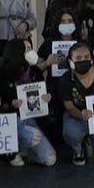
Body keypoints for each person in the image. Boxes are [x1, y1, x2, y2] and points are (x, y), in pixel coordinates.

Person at [0, 39, 57, 167]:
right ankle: (12, 150)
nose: (32, 52)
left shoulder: (35, 72)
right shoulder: (2, 75)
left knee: (50, 159)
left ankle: (26, 149)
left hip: (32, 117)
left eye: (31, 48)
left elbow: (43, 94)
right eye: (28, 49)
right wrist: (11, 103)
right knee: (32, 136)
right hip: (14, 120)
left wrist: (48, 97)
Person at [36, 8, 80, 143]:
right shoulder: (48, 44)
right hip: (53, 90)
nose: (67, 24)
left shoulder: (81, 43)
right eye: (63, 21)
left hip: (75, 89)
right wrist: (47, 63)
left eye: (70, 21)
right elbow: (34, 70)